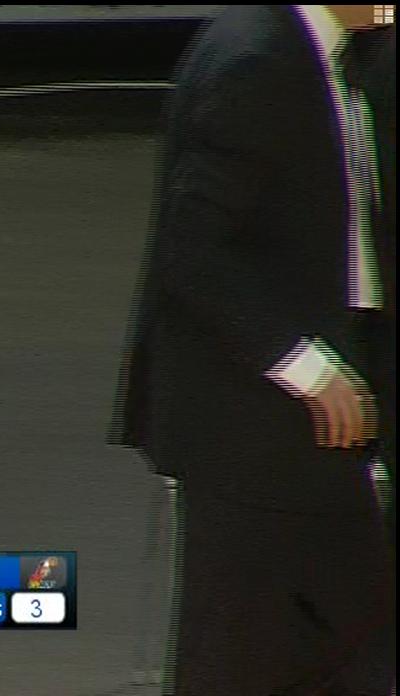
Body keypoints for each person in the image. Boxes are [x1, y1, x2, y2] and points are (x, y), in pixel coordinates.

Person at [110, 5, 396, 694]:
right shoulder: (258, 62)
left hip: (327, 422)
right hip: (254, 430)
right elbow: (193, 250)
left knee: (347, 643)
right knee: (240, 654)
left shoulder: (346, 54)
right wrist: (303, 364)